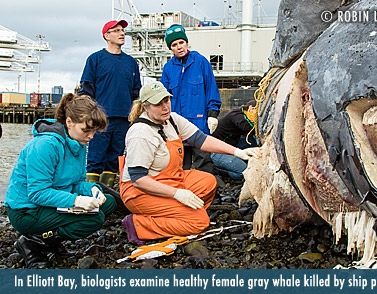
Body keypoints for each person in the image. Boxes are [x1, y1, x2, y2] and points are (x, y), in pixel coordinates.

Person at [119, 81, 260, 243]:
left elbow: (201, 140)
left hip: (168, 179)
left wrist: (238, 152)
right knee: (200, 222)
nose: (165, 107)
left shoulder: (171, 119)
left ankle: (175, 213)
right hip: (140, 192)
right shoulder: (140, 133)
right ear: (145, 106)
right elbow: (138, 180)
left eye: (167, 100)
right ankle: (137, 224)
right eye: (158, 104)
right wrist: (177, 194)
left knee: (208, 182)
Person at [4, 94, 116, 268]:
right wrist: (77, 200)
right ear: (69, 122)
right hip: (26, 211)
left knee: (107, 203)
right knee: (93, 218)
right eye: (86, 130)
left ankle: (50, 240)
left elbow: (77, 182)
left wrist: (92, 189)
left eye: (94, 131)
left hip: (50, 203)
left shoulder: (77, 142)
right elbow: (37, 193)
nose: (91, 136)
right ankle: (33, 243)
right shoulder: (45, 146)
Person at [78, 19, 142, 187]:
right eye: (117, 30)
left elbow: (137, 92)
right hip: (101, 119)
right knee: (95, 157)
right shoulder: (95, 59)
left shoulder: (131, 62)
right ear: (106, 36)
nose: (122, 34)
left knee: (115, 158)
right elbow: (86, 90)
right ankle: (89, 190)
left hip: (124, 118)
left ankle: (107, 192)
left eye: (122, 31)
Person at [160, 24, 221, 174]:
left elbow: (211, 87)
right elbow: (162, 97)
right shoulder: (168, 68)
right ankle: (181, 193)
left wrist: (213, 114)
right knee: (179, 163)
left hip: (199, 123)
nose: (179, 47)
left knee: (204, 161)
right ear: (171, 48)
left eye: (181, 42)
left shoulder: (200, 62)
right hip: (176, 125)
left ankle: (208, 192)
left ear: (186, 43)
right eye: (174, 44)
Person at [211, 100, 258, 180]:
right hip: (218, 152)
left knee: (252, 140)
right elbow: (249, 128)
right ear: (250, 108)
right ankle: (220, 171)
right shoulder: (236, 116)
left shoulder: (242, 114)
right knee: (244, 173)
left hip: (232, 145)